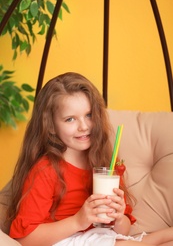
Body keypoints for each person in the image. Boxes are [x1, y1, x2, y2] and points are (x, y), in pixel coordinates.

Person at [7, 72, 173, 246]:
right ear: (51, 127)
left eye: (89, 115)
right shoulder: (45, 170)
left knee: (162, 237)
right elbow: (24, 239)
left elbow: (123, 230)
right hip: (64, 240)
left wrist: (118, 217)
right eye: (70, 119)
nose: (84, 126)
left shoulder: (106, 163)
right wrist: (78, 221)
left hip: (100, 236)